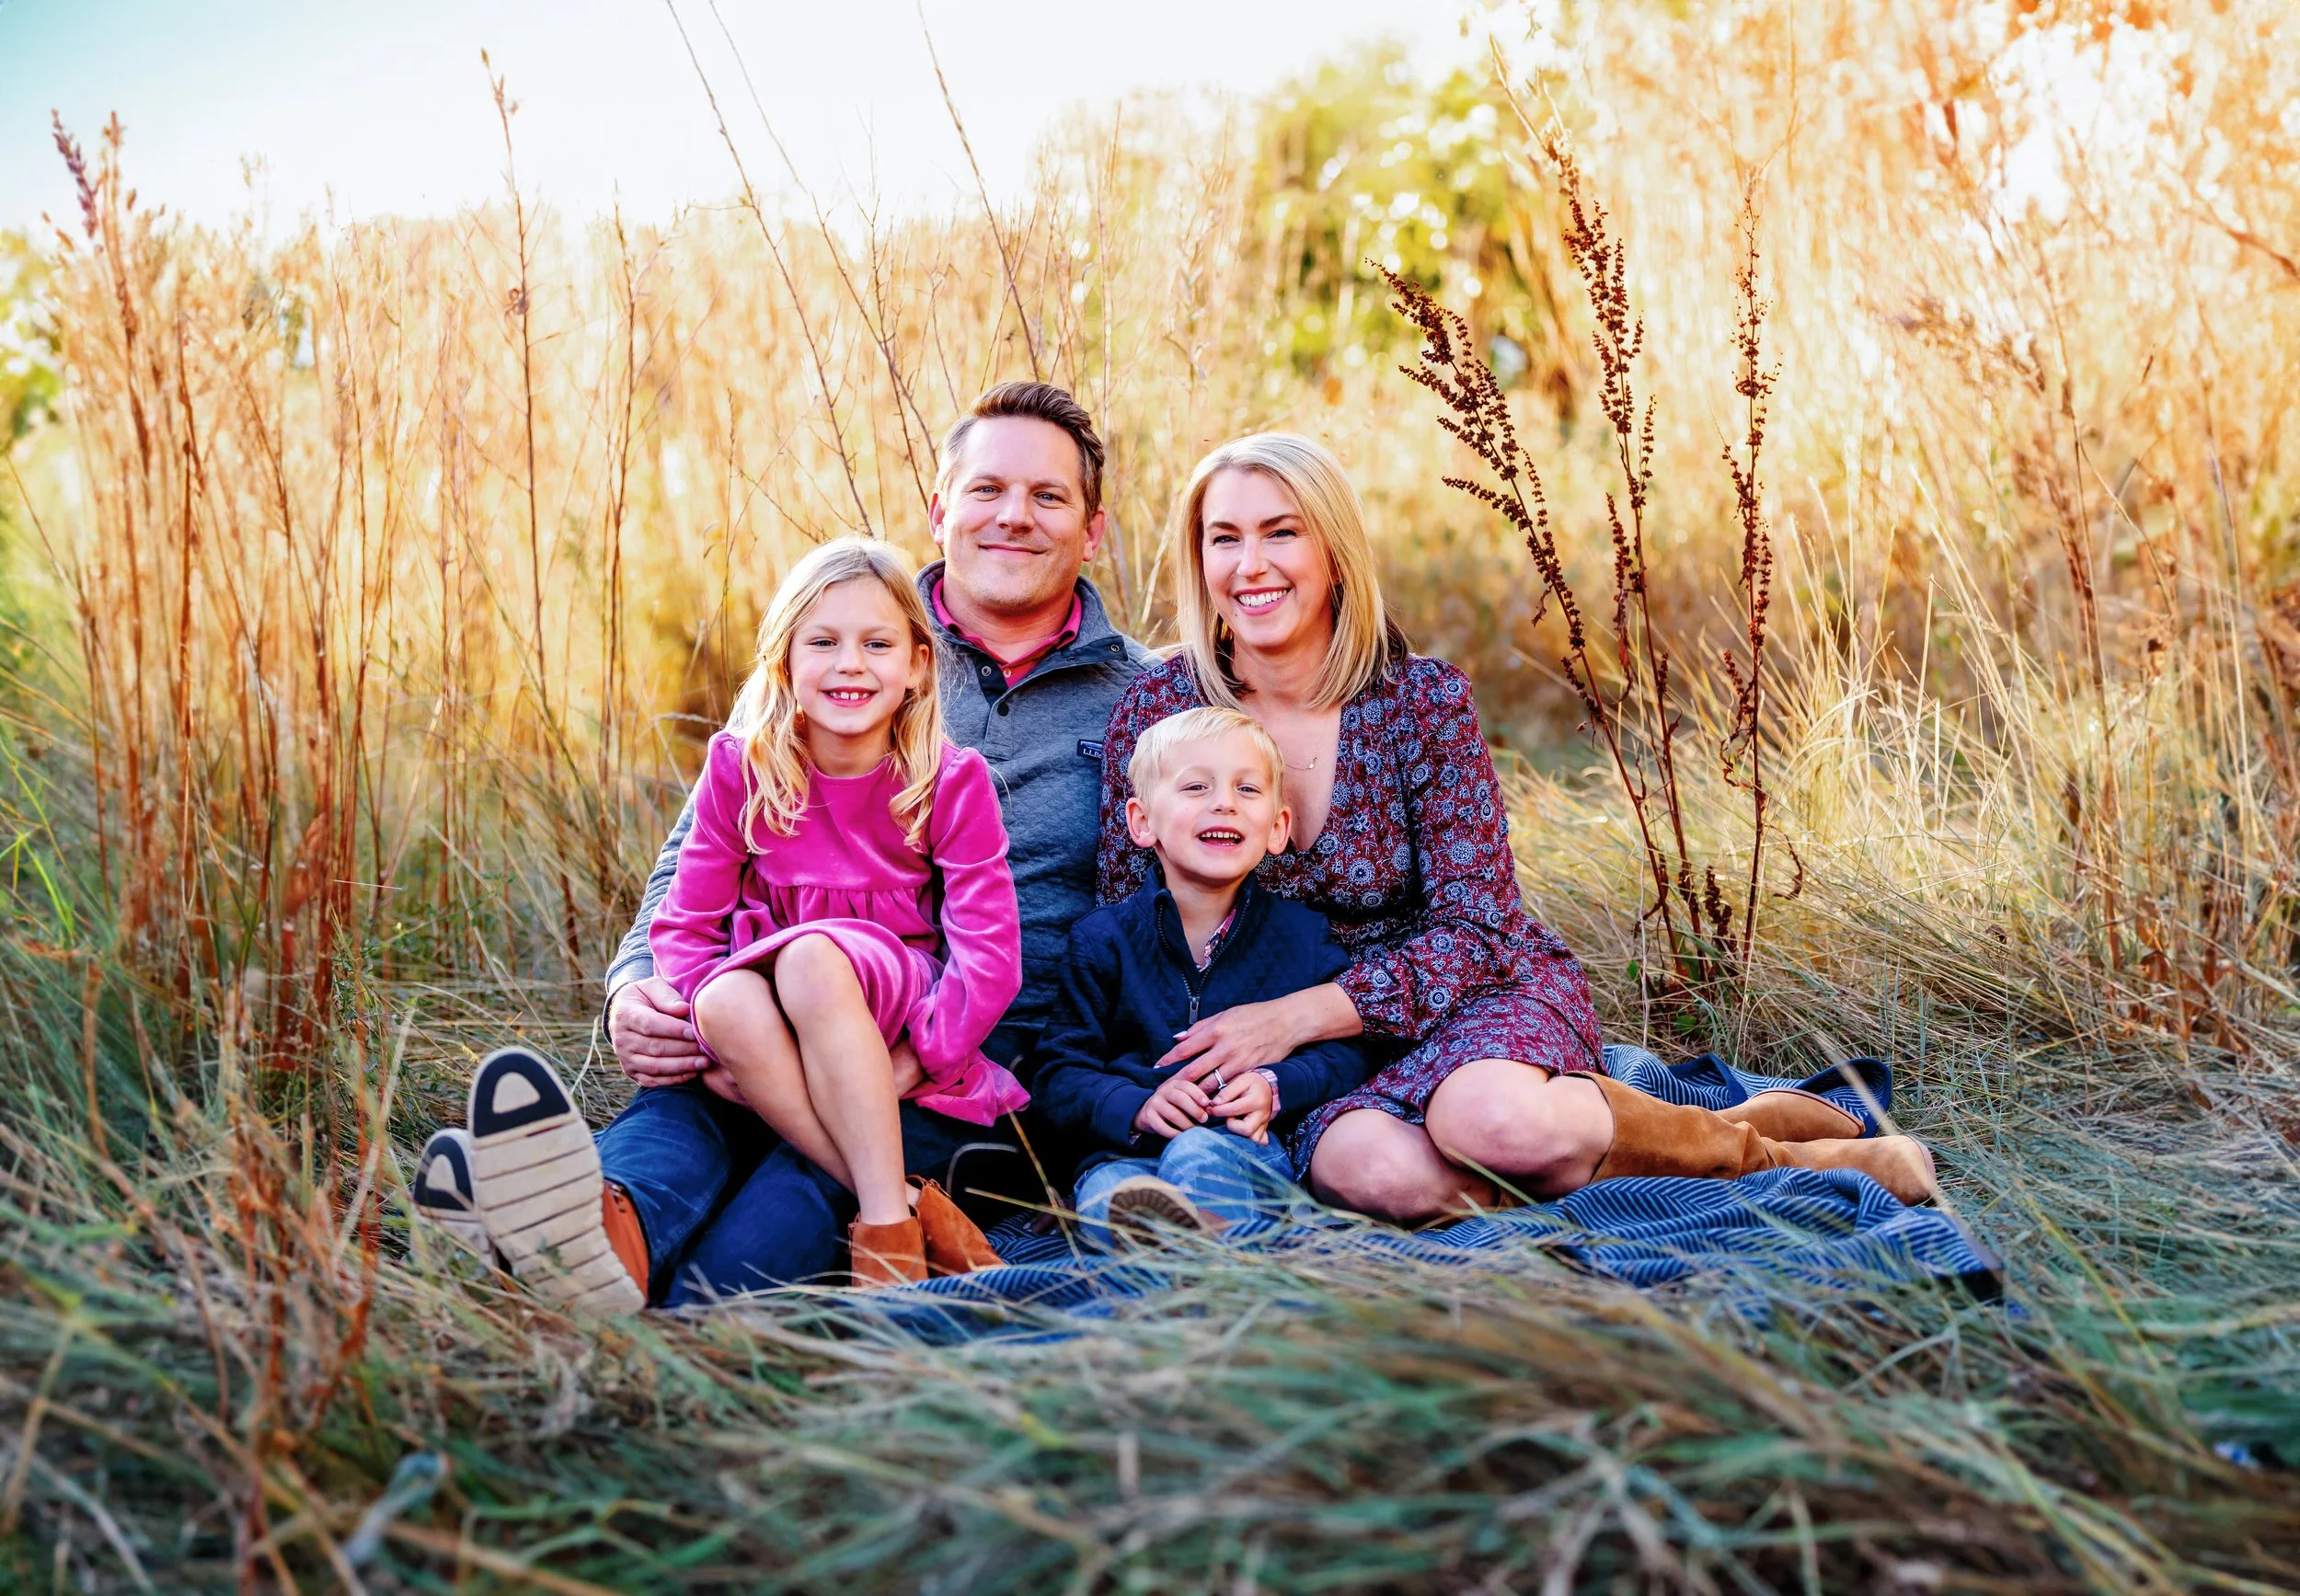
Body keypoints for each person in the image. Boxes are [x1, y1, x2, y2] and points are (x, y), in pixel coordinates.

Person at [414, 382, 1150, 1309]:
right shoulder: (833, 648)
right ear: (940, 510)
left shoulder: (1145, 700)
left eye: (1048, 497)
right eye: (986, 489)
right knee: (674, 1135)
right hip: (748, 1025)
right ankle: (587, 1239)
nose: (1014, 516)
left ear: (1093, 530)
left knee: (773, 1231)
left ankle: (649, 1309)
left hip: (954, 1074)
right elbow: (692, 864)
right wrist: (633, 990)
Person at [1095, 433, 1936, 1226]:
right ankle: (1625, 1143)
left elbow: (1479, 926)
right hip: (1311, 1060)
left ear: (1334, 553)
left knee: (1491, 1123)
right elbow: (1129, 918)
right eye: (1223, 538)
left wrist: (1297, 1015)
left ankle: (1778, 1155)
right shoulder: (1160, 709)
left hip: (1473, 992)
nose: (1251, 565)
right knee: (1376, 1176)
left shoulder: (1421, 702)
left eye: (1282, 533)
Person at [1032, 706, 1371, 1247]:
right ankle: (1166, 1289)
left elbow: (1349, 1055)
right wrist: (1134, 1106)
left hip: (1243, 1148)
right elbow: (1058, 1074)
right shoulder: (1104, 939)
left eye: (1247, 790)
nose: (1224, 803)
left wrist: (1274, 1085)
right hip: (1127, 1152)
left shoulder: (1303, 937)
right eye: (1196, 787)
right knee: (1109, 1194)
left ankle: (1211, 1269)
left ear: (1278, 828)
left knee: (1197, 1155)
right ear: (1142, 822)